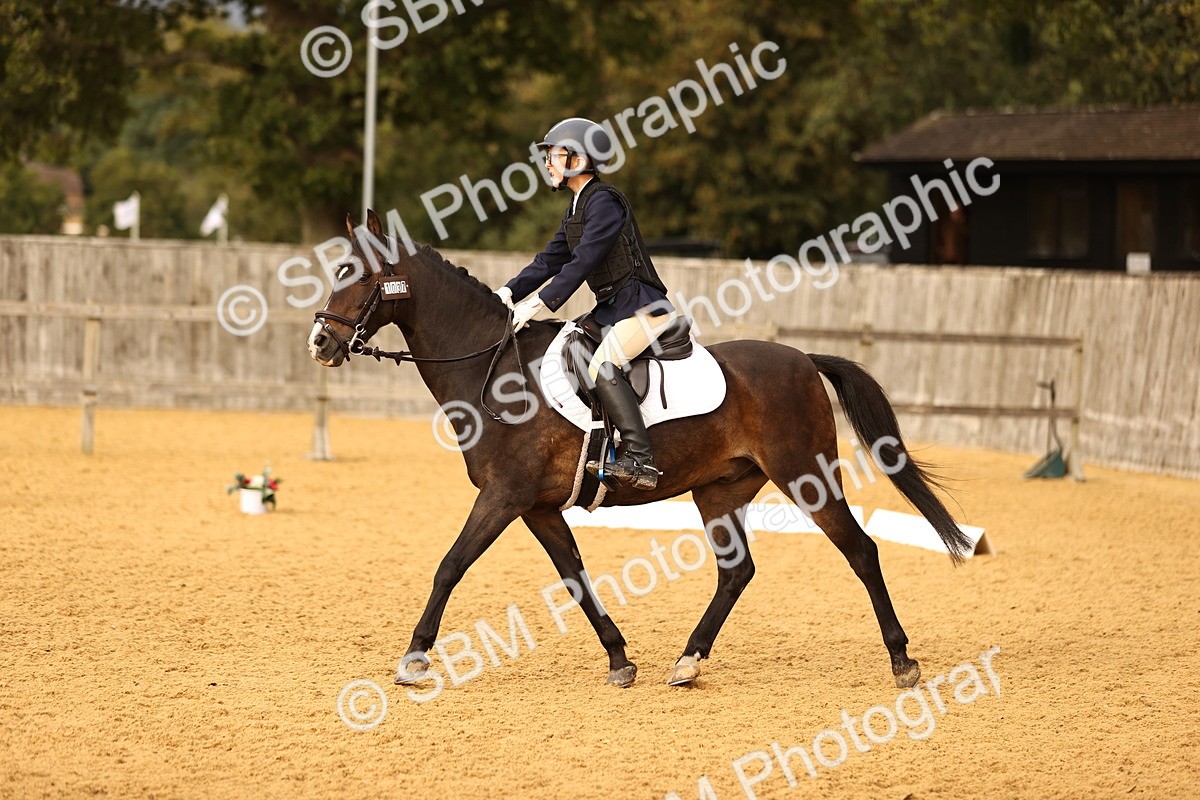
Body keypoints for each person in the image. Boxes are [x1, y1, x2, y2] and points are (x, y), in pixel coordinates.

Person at [494, 117, 676, 490]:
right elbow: (550, 260)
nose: (546, 163)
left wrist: (539, 304)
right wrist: (507, 293)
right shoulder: (577, 207)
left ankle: (640, 459)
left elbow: (584, 261)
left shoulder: (604, 202)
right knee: (568, 347)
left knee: (603, 364)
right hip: (612, 309)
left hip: (643, 307)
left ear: (578, 159)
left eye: (553, 155)